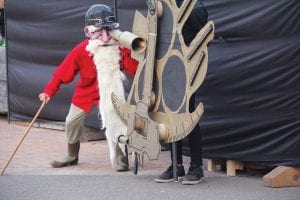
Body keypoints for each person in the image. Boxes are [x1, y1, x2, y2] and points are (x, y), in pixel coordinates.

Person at [39, 4, 138, 172]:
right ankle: (72, 155)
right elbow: (63, 72)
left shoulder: (118, 48)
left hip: (110, 92)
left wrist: (127, 51)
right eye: (99, 31)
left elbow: (133, 69)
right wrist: (49, 91)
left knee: (117, 122)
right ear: (90, 31)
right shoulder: (82, 49)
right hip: (86, 92)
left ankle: (121, 157)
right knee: (71, 122)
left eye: (107, 30)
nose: (104, 36)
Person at [155, 0, 208, 185]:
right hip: (166, 67)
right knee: (169, 114)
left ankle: (197, 167)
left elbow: (200, 37)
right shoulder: (163, 4)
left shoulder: (195, 6)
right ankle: (176, 165)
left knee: (187, 113)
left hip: (187, 68)